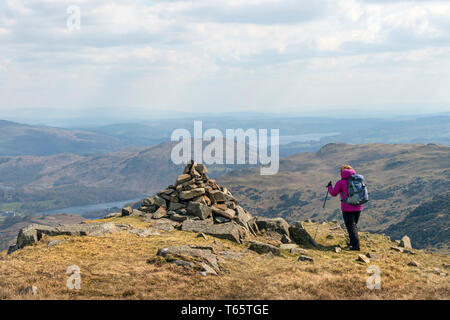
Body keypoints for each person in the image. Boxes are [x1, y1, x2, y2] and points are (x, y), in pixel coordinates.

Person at [327, 164, 363, 251]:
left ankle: (356, 246)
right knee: (353, 226)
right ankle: (352, 242)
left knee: (350, 226)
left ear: (342, 172)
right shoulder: (358, 180)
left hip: (347, 208)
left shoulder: (341, 182)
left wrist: (329, 187)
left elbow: (334, 193)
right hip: (358, 207)